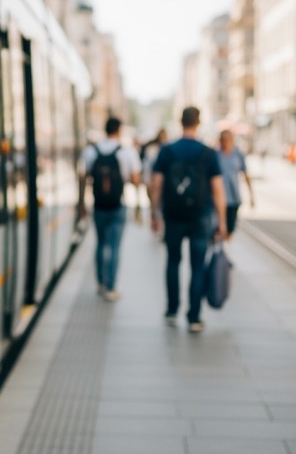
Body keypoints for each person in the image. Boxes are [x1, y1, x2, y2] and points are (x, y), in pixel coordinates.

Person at [148, 106, 227, 332]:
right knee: (197, 266)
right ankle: (194, 317)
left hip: (173, 215)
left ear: (180, 122)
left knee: (173, 262)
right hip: (200, 216)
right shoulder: (208, 153)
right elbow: (218, 190)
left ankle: (172, 310)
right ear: (198, 123)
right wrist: (221, 222)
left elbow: (156, 185)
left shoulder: (167, 151)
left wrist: (155, 213)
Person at [79, 116, 142, 302]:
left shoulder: (91, 151)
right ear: (119, 130)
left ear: (105, 130)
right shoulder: (127, 152)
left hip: (99, 205)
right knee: (114, 246)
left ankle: (99, 282)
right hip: (117, 205)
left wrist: (81, 204)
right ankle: (111, 287)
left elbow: (83, 177)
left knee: (100, 244)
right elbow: (136, 179)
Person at [216, 128, 255, 239]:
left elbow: (246, 175)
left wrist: (252, 195)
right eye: (223, 140)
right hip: (218, 198)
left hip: (233, 198)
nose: (225, 142)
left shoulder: (238, 155)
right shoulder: (215, 155)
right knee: (217, 228)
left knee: (230, 229)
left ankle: (224, 251)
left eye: (227, 139)